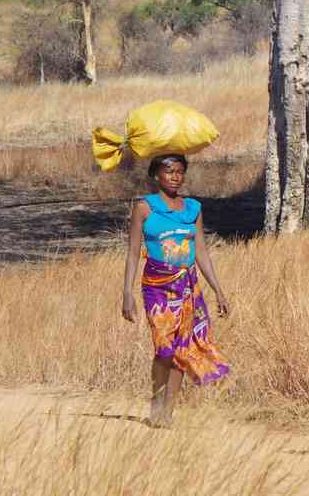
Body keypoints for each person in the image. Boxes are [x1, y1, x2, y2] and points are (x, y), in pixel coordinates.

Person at [121, 153, 231, 428]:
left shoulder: (192, 208)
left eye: (180, 171)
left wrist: (218, 289)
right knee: (164, 349)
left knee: (181, 349)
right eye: (169, 171)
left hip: (187, 288)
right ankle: (157, 400)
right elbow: (134, 252)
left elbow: (201, 252)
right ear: (155, 175)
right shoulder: (145, 208)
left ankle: (166, 413)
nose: (175, 177)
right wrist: (127, 293)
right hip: (157, 288)